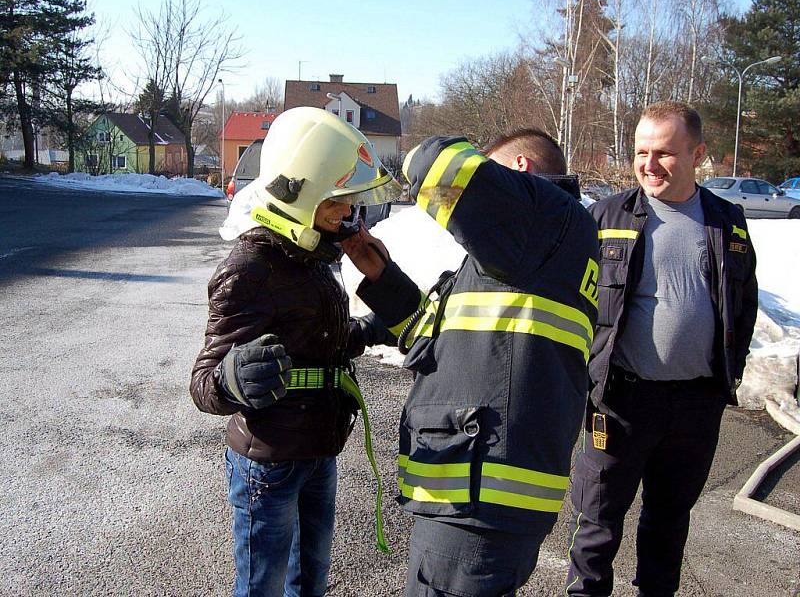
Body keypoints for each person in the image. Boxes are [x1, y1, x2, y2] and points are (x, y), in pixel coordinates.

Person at [343, 128, 600, 596]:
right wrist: (378, 273)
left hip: (480, 493)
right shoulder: (533, 249)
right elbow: (431, 339)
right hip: (480, 493)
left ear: (518, 174)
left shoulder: (543, 214)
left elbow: (430, 162)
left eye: (491, 171)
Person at [189, 107, 401, 597]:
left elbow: (318, 342)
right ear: (300, 197)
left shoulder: (314, 258)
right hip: (270, 461)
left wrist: (366, 331)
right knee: (261, 586)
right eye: (336, 203)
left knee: (310, 582)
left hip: (319, 450)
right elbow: (202, 383)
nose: (347, 214)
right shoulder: (250, 268)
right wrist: (230, 378)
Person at [564, 101, 758, 596]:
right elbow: (574, 301)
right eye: (641, 152)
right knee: (598, 524)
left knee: (669, 521)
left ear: (698, 155)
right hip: (621, 401)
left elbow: (743, 304)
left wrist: (726, 375)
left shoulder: (727, 221)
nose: (649, 165)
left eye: (665, 153)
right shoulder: (606, 216)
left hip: (696, 405)